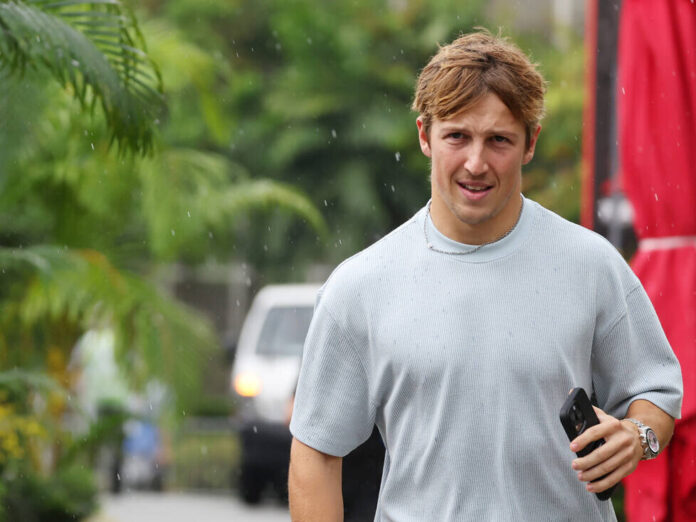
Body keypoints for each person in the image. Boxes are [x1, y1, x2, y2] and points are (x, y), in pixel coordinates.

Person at [287, 30, 683, 521]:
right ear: (424, 136)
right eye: (457, 136)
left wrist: (637, 436)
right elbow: (316, 454)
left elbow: (656, 391)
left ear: (530, 142)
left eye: (498, 140)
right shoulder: (360, 287)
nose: (476, 163)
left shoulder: (591, 265)